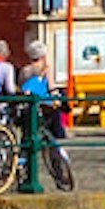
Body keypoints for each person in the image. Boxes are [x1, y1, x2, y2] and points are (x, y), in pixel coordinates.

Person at [19, 54, 77, 191]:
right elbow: (53, 90)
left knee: (26, 143)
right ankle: (59, 175)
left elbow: (20, 88)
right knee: (51, 143)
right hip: (45, 110)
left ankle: (22, 173)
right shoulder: (45, 70)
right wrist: (57, 100)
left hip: (27, 111)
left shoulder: (24, 71)